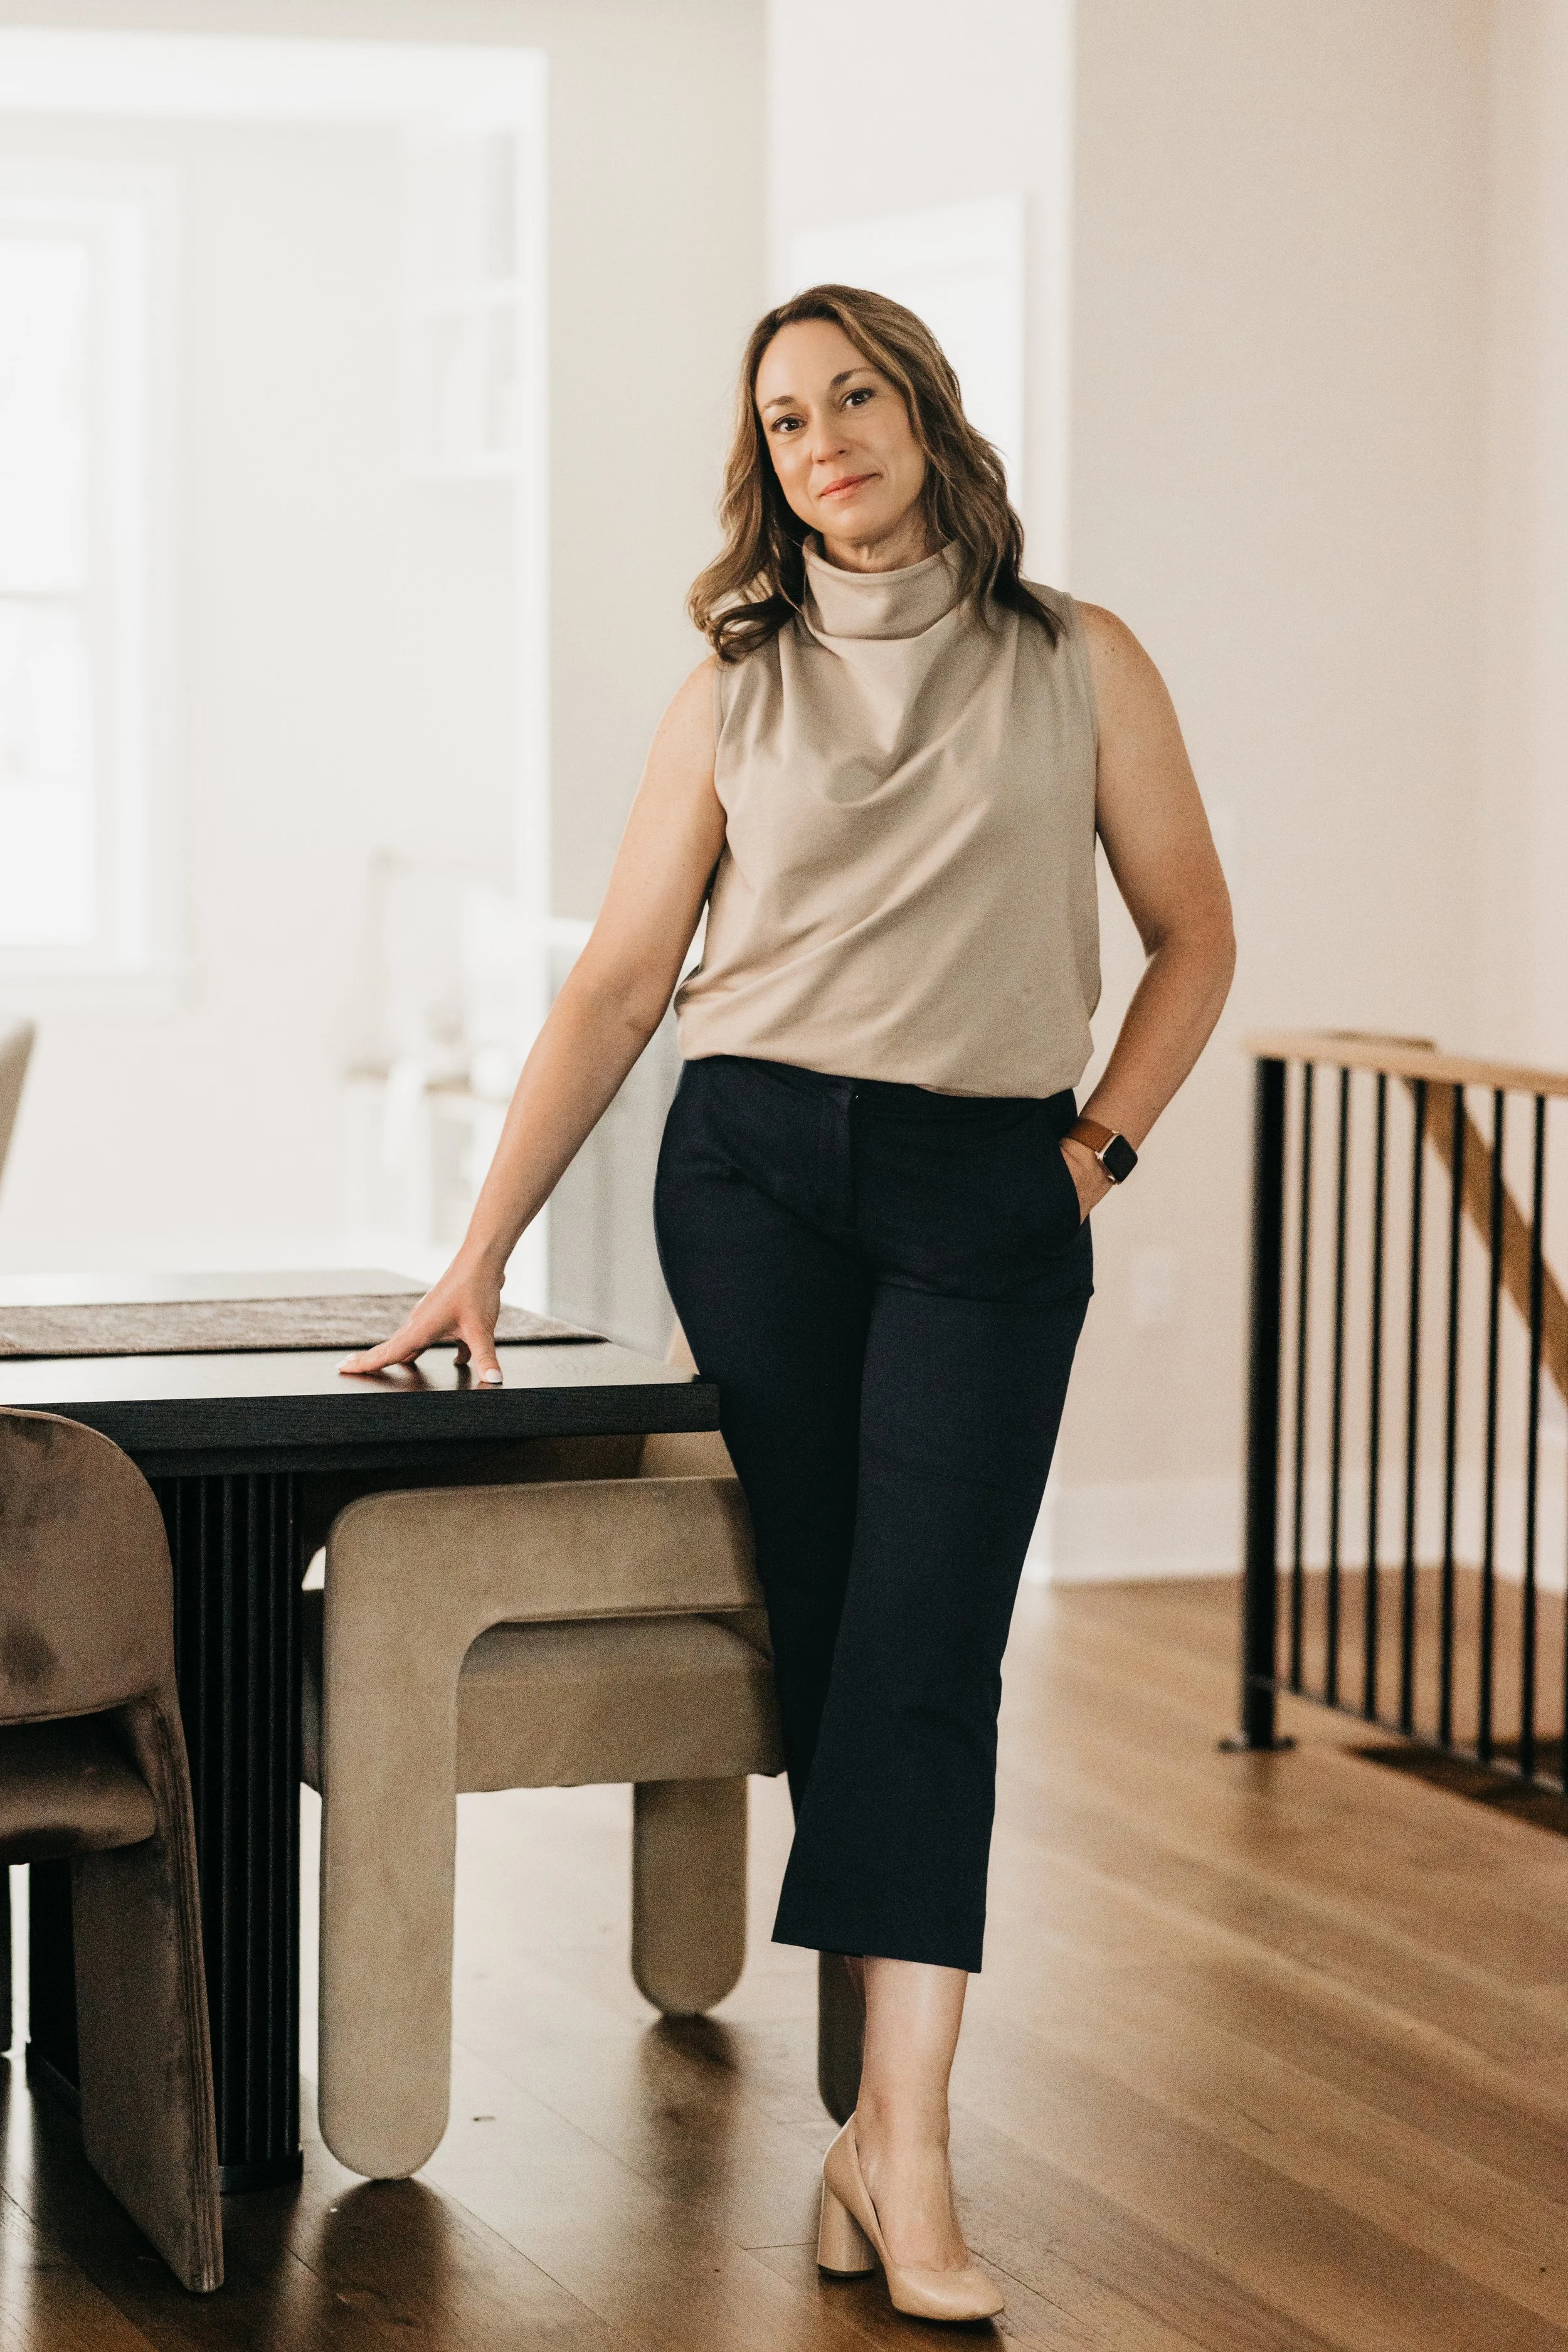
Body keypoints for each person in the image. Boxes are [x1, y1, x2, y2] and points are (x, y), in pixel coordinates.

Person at [344, 284, 1234, 2326]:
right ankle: (878, 2128)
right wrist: (475, 1249)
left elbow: (1192, 937)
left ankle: (896, 2141)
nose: (822, 434)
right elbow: (615, 985)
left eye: (853, 395)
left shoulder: (1076, 662)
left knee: (929, 1644)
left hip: (986, 1194)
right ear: (765, 461)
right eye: (784, 413)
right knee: (839, 1627)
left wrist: (1091, 1151)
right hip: (750, 1175)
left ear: (920, 413)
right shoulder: (732, 686)